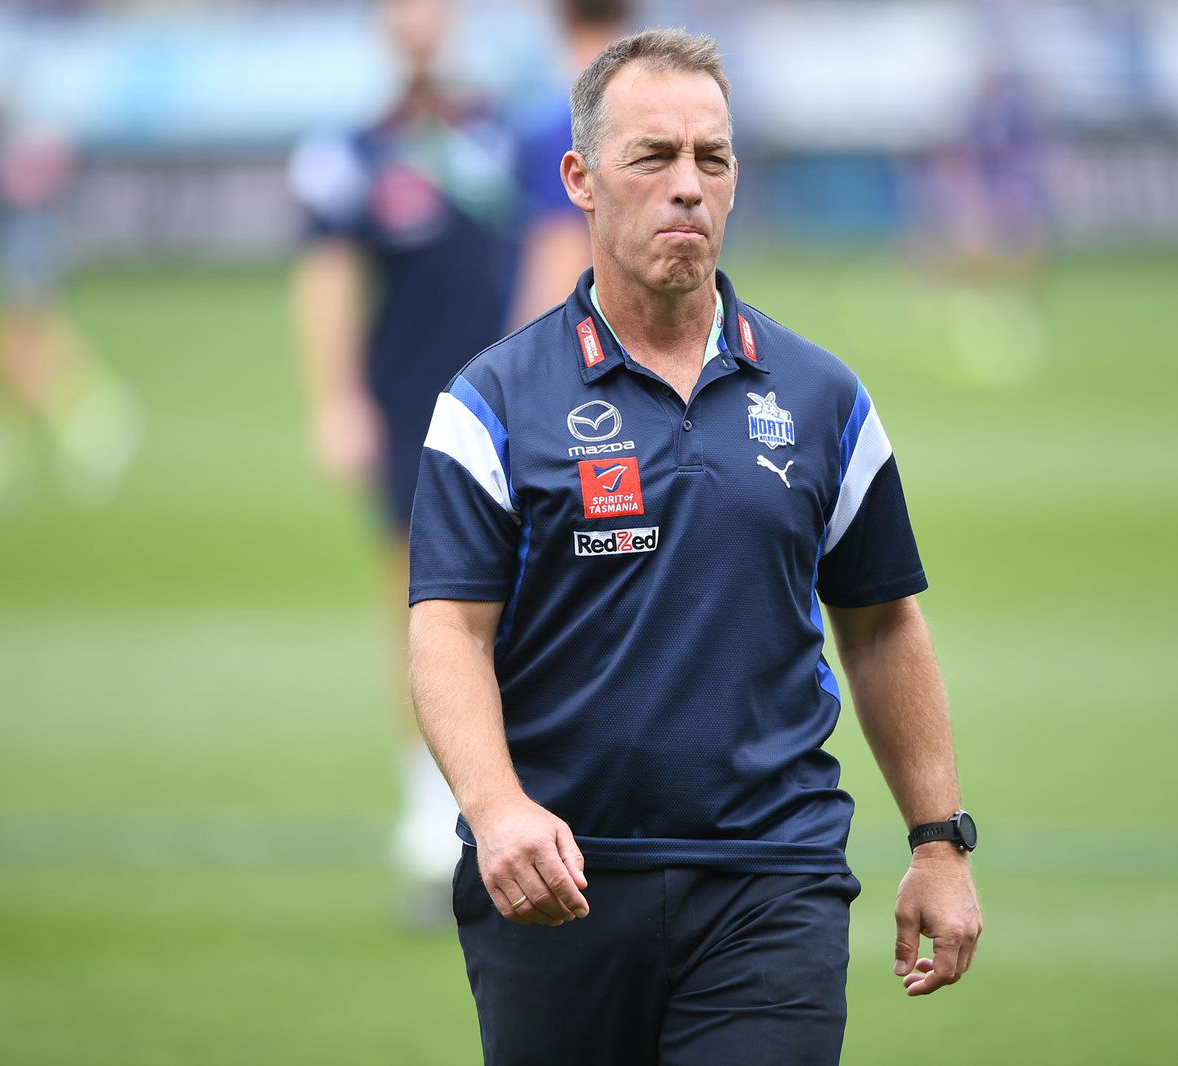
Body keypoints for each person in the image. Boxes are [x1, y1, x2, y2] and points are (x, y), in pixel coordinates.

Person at [408, 28, 982, 1065]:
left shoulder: (823, 399)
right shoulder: (488, 404)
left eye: (711, 160)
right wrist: (495, 810)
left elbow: (884, 619)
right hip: (553, 885)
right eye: (653, 158)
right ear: (580, 178)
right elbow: (447, 626)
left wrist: (939, 841)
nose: (687, 187)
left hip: (773, 878)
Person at [287, 0, 520, 923]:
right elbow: (328, 281)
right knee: (422, 610)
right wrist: (336, 403)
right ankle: (435, 817)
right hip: (413, 415)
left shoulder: (509, 135)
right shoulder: (352, 151)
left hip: (524, 410)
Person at [0, 94, 141, 512]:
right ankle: (17, 432)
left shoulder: (8, 169)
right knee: (18, 342)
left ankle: (72, 419)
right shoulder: (22, 159)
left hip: (26, 260)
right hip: (30, 257)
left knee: (18, 343)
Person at [506, 0, 629, 329]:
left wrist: (524, 362)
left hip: (582, 332)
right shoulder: (653, 109)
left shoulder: (559, 120)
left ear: (564, 15)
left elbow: (560, 249)